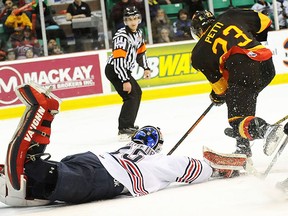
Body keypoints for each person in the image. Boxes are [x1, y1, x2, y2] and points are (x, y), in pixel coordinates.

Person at [0, 83, 243, 206]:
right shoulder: (155, 160)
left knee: (49, 173)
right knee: (44, 173)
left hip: (93, 159)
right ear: (155, 146)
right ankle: (38, 130)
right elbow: (187, 167)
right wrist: (215, 169)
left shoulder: (128, 150)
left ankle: (32, 167)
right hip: (106, 175)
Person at [190, 9, 280, 158]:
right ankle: (243, 149)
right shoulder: (230, 15)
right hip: (266, 64)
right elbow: (265, 21)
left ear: (198, 30)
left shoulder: (198, 53)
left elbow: (222, 89)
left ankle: (267, 130)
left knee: (237, 121)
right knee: (242, 108)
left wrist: (216, 97)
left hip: (244, 69)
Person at [105, 6, 151, 141]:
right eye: (130, 19)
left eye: (135, 19)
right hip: (115, 69)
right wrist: (125, 80)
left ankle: (128, 125)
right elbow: (119, 60)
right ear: (125, 21)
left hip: (123, 69)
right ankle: (124, 129)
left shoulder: (138, 33)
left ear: (139, 19)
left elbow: (141, 53)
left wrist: (146, 67)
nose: (133, 22)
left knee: (137, 93)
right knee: (130, 96)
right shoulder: (121, 37)